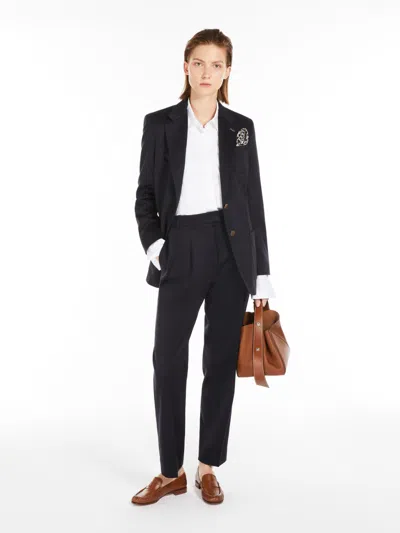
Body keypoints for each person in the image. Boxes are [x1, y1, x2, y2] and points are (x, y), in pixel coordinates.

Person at [131, 28, 276, 505]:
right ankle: (169, 471)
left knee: (219, 361)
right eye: (199, 63)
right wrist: (157, 248)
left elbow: (253, 202)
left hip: (231, 253)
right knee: (167, 359)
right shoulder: (160, 124)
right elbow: (145, 195)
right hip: (180, 247)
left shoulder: (241, 128)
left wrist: (261, 274)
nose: (207, 72)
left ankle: (208, 466)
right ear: (186, 67)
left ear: (228, 71)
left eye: (216, 64)